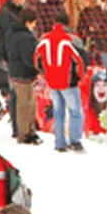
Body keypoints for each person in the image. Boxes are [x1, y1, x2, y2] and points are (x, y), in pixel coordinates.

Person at [35, 11, 86, 153]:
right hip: (68, 82)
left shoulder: (44, 39)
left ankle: (60, 142)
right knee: (75, 111)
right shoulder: (73, 40)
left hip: (52, 82)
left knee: (58, 112)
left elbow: (36, 59)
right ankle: (75, 141)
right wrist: (78, 77)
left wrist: (45, 74)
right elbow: (81, 61)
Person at [6, 7, 43, 145]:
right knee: (25, 104)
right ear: (28, 22)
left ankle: (29, 130)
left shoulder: (11, 33)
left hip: (14, 71)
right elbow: (29, 57)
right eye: (34, 23)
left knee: (27, 103)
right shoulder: (26, 38)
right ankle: (24, 133)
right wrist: (37, 70)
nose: (34, 26)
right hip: (24, 74)